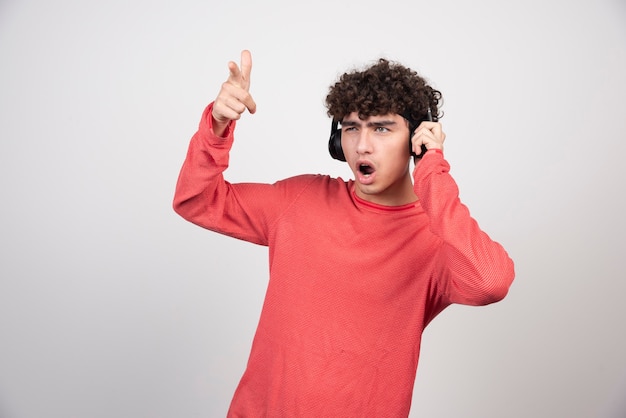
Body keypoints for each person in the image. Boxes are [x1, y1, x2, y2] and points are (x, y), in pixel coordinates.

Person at [173, 50, 515, 417]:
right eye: (352, 128)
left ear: (416, 138)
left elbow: (490, 282)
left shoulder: (436, 238)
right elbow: (197, 200)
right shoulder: (300, 199)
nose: (362, 145)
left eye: (381, 128)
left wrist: (431, 170)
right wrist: (218, 127)